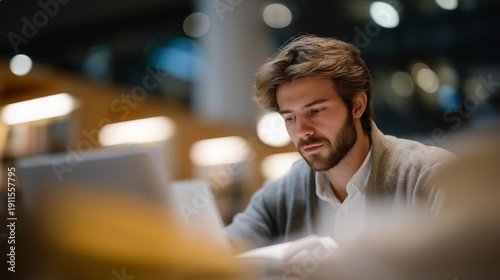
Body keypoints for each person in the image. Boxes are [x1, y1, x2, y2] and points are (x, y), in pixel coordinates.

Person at [223, 34, 455, 253]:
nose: (302, 131)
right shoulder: (284, 192)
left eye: (316, 110)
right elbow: (222, 252)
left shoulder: (430, 175)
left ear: (357, 106)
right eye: (290, 117)